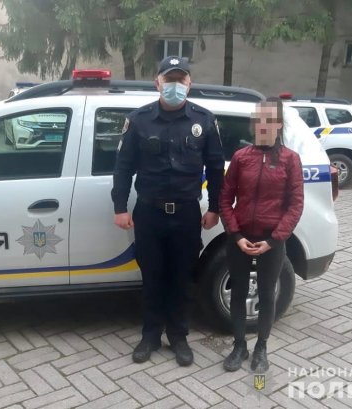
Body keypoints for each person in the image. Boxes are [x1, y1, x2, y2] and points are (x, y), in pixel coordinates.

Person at [111, 56, 225, 366]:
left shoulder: (204, 120)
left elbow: (216, 168)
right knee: (152, 276)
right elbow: (123, 168)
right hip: (149, 213)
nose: (175, 85)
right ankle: (150, 335)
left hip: (187, 213)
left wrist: (215, 207)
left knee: (181, 277)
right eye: (169, 79)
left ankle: (178, 336)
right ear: (157, 83)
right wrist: (120, 207)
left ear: (189, 83)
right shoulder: (139, 120)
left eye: (180, 79)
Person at [219, 98, 304, 372]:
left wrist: (274, 240)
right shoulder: (241, 157)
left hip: (271, 240)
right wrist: (235, 235)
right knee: (239, 291)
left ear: (278, 124)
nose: (263, 125)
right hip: (241, 237)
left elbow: (295, 205)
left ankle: (261, 347)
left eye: (269, 120)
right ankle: (239, 345)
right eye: (258, 120)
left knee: (267, 294)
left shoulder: (290, 160)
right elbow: (225, 199)